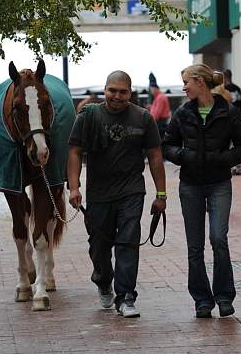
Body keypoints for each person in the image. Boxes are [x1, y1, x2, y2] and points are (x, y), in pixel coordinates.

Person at [67, 70, 167, 318]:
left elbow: (155, 156)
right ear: (105, 89)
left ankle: (126, 297)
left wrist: (161, 194)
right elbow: (75, 151)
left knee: (128, 242)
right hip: (99, 193)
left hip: (132, 191)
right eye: (113, 90)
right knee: (99, 246)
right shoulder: (88, 116)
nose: (117, 96)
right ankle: (103, 281)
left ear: (130, 92)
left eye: (123, 91)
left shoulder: (143, 118)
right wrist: (74, 187)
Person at [162, 63, 241, 319]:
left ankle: (224, 297)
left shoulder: (228, 112)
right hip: (190, 185)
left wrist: (224, 159)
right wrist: (184, 156)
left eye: (186, 82)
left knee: (218, 238)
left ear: (200, 82)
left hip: (219, 184)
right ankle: (202, 301)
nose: (184, 87)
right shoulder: (182, 113)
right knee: (195, 247)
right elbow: (167, 145)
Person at [147, 72, 171, 139]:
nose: (151, 91)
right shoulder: (158, 97)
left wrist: (149, 122)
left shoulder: (160, 97)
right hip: (160, 122)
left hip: (160, 123)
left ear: (155, 89)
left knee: (157, 141)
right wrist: (151, 107)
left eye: (151, 89)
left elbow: (156, 114)